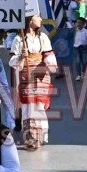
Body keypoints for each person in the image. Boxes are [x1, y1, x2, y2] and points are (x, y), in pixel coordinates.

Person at [13, 14, 55, 149]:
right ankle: (30, 137)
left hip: (41, 74)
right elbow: (12, 60)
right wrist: (21, 56)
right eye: (38, 17)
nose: (41, 20)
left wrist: (49, 63)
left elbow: (49, 53)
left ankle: (40, 136)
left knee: (39, 105)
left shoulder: (42, 37)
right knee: (27, 106)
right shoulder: (19, 39)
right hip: (26, 74)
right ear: (30, 19)